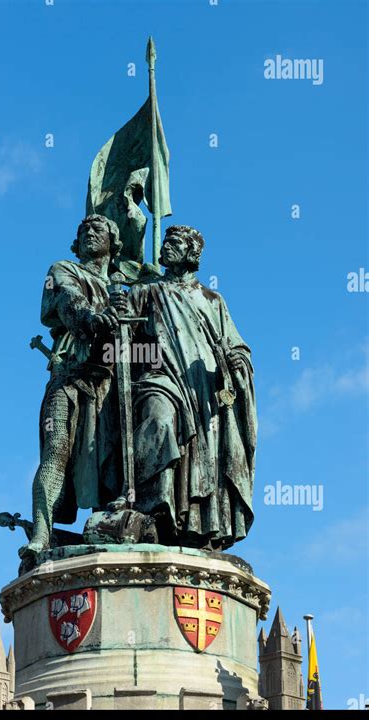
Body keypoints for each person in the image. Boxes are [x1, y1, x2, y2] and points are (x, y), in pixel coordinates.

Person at [126, 225, 257, 550]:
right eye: (165, 241)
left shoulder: (212, 300)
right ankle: (154, 512)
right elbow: (121, 340)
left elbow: (237, 345)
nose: (167, 246)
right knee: (159, 422)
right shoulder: (146, 292)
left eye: (175, 242)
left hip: (204, 389)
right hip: (160, 378)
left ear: (191, 252)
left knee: (205, 457)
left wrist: (237, 362)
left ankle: (198, 525)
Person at [19, 215, 122, 560]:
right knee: (56, 450)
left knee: (111, 463)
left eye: (98, 230)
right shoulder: (63, 269)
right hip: (70, 374)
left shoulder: (124, 289)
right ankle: (41, 534)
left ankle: (109, 530)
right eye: (83, 231)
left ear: (114, 241)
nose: (90, 233)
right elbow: (66, 299)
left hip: (112, 383)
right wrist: (92, 318)